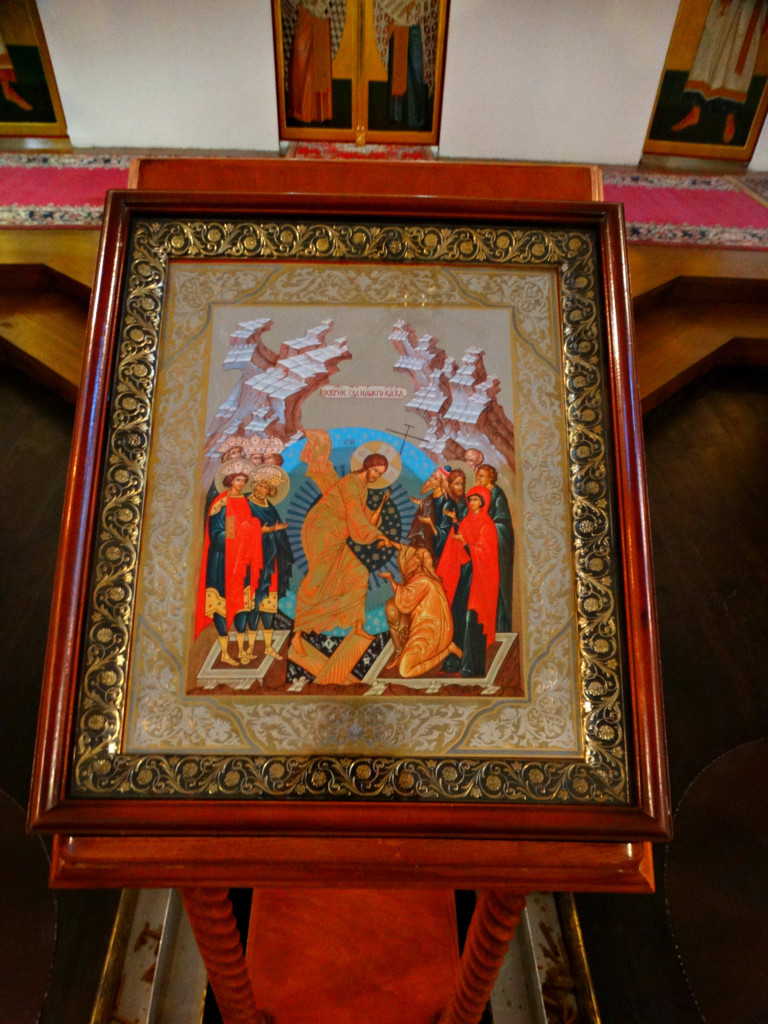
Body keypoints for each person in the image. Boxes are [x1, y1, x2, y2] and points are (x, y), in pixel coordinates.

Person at [292, 452, 396, 652]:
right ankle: (297, 633)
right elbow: (356, 517)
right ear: (367, 466)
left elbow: (364, 518)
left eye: (380, 474)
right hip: (323, 530)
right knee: (317, 579)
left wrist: (377, 518)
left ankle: (358, 626)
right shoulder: (351, 483)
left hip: (337, 534)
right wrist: (377, 535)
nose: (376, 476)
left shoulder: (361, 487)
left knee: (359, 573)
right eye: (375, 470)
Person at [671, 0, 768, 144]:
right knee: (709, 50)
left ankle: (730, 119)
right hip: (727, 5)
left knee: (736, 59)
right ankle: (694, 113)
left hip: (750, 9)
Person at [195, 470, 265, 665]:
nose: (241, 483)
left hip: (241, 562)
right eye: (237, 480)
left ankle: (242, 650)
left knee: (242, 605)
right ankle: (225, 652)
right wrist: (239, 535)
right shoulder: (221, 503)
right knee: (221, 605)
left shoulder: (245, 502)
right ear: (229, 481)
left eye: (243, 480)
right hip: (222, 561)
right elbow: (216, 534)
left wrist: (252, 529)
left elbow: (249, 527)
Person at [437, 485, 499, 677]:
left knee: (472, 619)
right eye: (470, 499)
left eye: (476, 500)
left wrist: (466, 543)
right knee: (457, 615)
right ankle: (453, 663)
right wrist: (455, 522)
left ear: (483, 502)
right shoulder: (466, 521)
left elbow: (485, 552)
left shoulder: (487, 525)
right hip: (465, 576)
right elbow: (459, 539)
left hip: (479, 578)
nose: (472, 503)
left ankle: (470, 667)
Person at [380, 544, 459, 677]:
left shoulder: (423, 582)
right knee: (391, 608)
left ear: (419, 563)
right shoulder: (421, 578)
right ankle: (402, 652)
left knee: (405, 671)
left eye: (416, 557)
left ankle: (447, 650)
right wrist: (391, 542)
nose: (411, 559)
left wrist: (390, 580)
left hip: (431, 633)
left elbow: (405, 600)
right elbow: (404, 551)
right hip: (425, 629)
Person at [241, 473, 293, 662]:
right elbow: (239, 528)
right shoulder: (245, 504)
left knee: (269, 603)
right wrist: (264, 530)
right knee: (253, 602)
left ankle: (269, 647)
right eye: (260, 486)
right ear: (254, 486)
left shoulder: (270, 507)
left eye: (266, 488)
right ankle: (249, 647)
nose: (263, 490)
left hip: (270, 559)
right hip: (251, 560)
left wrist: (277, 532)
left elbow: (276, 528)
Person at [476, 464, 514, 633]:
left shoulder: (497, 495)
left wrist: (488, 530)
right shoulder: (480, 494)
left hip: (497, 548)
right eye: (478, 475)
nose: (479, 479)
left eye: (482, 476)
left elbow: (502, 524)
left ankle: (499, 627)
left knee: (496, 588)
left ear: (490, 478)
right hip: (483, 550)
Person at [287, 0, 335, 123]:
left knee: (320, 63)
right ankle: (299, 111)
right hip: (304, 12)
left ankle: (320, 113)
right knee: (300, 61)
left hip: (321, 13)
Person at [406, 464, 449, 555]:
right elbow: (429, 507)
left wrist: (430, 523)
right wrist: (420, 503)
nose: (430, 479)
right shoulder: (431, 496)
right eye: (432, 476)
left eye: (435, 478)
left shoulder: (445, 503)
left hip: (431, 545)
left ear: (441, 483)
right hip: (422, 539)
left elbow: (443, 532)